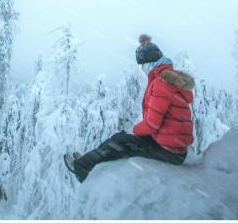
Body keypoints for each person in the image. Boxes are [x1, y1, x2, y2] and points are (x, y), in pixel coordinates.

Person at [64, 34, 195, 183]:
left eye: (142, 65)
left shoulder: (161, 83)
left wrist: (133, 130)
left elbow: (152, 125)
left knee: (121, 142)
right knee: (121, 139)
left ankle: (82, 168)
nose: (142, 69)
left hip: (168, 151)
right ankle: (87, 161)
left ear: (149, 62)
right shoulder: (168, 79)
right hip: (174, 148)